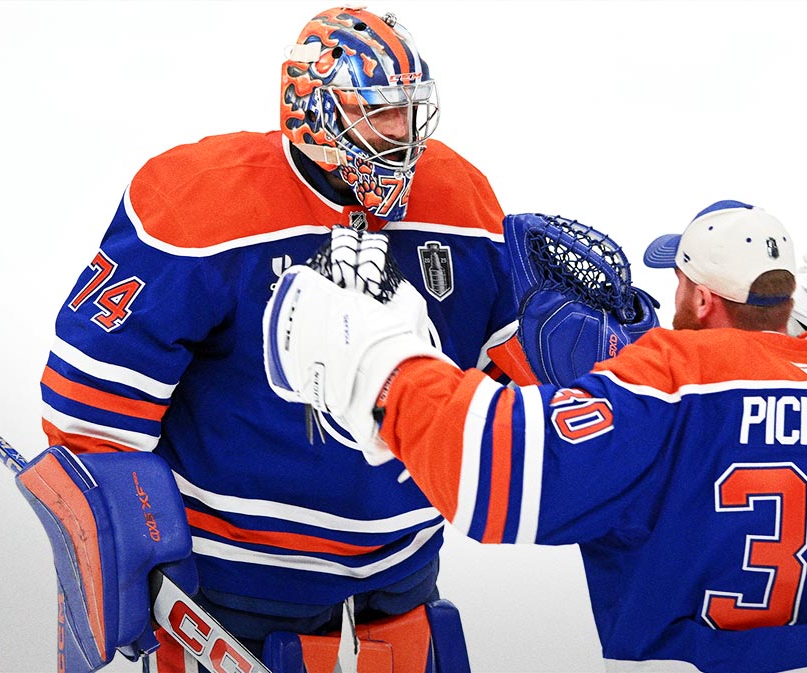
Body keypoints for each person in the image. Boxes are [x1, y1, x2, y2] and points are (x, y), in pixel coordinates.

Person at [265, 200, 807, 672]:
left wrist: (385, 364)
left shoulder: (665, 385)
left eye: (677, 280)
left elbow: (496, 469)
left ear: (702, 296)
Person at [38, 6, 536, 669]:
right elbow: (86, 405)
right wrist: (134, 551)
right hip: (232, 595)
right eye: (379, 112)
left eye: (410, 111)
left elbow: (510, 389)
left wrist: (593, 363)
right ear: (315, 114)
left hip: (403, 584)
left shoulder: (459, 199)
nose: (406, 135)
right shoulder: (202, 205)